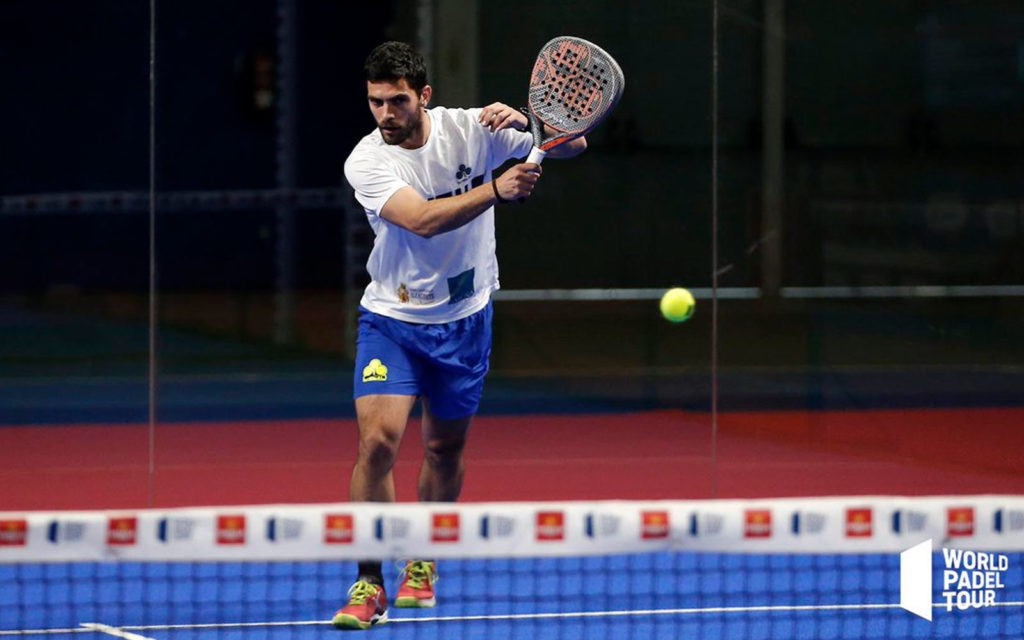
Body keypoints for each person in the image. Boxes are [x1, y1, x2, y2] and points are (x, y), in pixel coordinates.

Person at [332, 41, 586, 630]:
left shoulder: (473, 130)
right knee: (378, 444)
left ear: (424, 96)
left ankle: (423, 560)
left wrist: (530, 124)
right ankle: (369, 579)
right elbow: (420, 221)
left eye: (397, 101)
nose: (386, 114)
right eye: (375, 103)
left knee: (444, 448)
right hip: (391, 322)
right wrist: (497, 189)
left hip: (466, 321)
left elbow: (572, 143)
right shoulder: (367, 161)